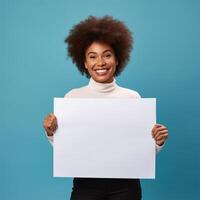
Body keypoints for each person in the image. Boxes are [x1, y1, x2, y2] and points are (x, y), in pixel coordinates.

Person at [43, 16, 169, 200]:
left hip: (126, 186)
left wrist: (157, 142)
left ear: (117, 59)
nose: (100, 62)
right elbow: (66, 148)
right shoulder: (73, 98)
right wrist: (51, 132)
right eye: (92, 56)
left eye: (107, 55)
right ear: (84, 63)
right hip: (85, 186)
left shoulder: (132, 97)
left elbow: (141, 152)